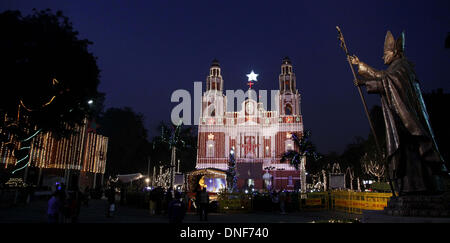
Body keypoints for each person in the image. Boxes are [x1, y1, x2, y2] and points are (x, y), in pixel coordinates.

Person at [350, 31, 449, 195]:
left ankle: (421, 188)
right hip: (406, 123)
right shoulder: (401, 68)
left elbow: (386, 80)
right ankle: (413, 188)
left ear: (395, 52)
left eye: (385, 54)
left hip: (409, 123)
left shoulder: (401, 68)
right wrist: (364, 79)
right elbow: (386, 81)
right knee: (409, 158)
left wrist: (362, 71)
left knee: (414, 155)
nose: (383, 58)